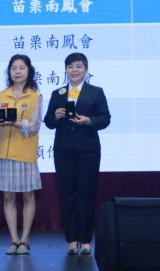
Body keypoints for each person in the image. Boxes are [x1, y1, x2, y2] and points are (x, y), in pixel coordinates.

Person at [43, 53, 110, 255]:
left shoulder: (95, 92)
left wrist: (88, 121)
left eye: (79, 66)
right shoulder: (58, 93)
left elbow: (105, 118)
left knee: (86, 194)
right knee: (67, 194)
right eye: (70, 66)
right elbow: (48, 122)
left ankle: (86, 240)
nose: (74, 70)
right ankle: (72, 240)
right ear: (65, 70)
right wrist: (56, 116)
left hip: (88, 150)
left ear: (86, 70)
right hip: (63, 151)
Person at [0, 55, 43, 255]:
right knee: (7, 197)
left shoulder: (35, 96)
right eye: (13, 68)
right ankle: (13, 240)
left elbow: (35, 125)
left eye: (21, 67)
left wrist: (16, 123)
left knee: (28, 197)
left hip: (25, 152)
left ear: (29, 71)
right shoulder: (3, 95)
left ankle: (25, 240)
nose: (17, 71)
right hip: (4, 152)